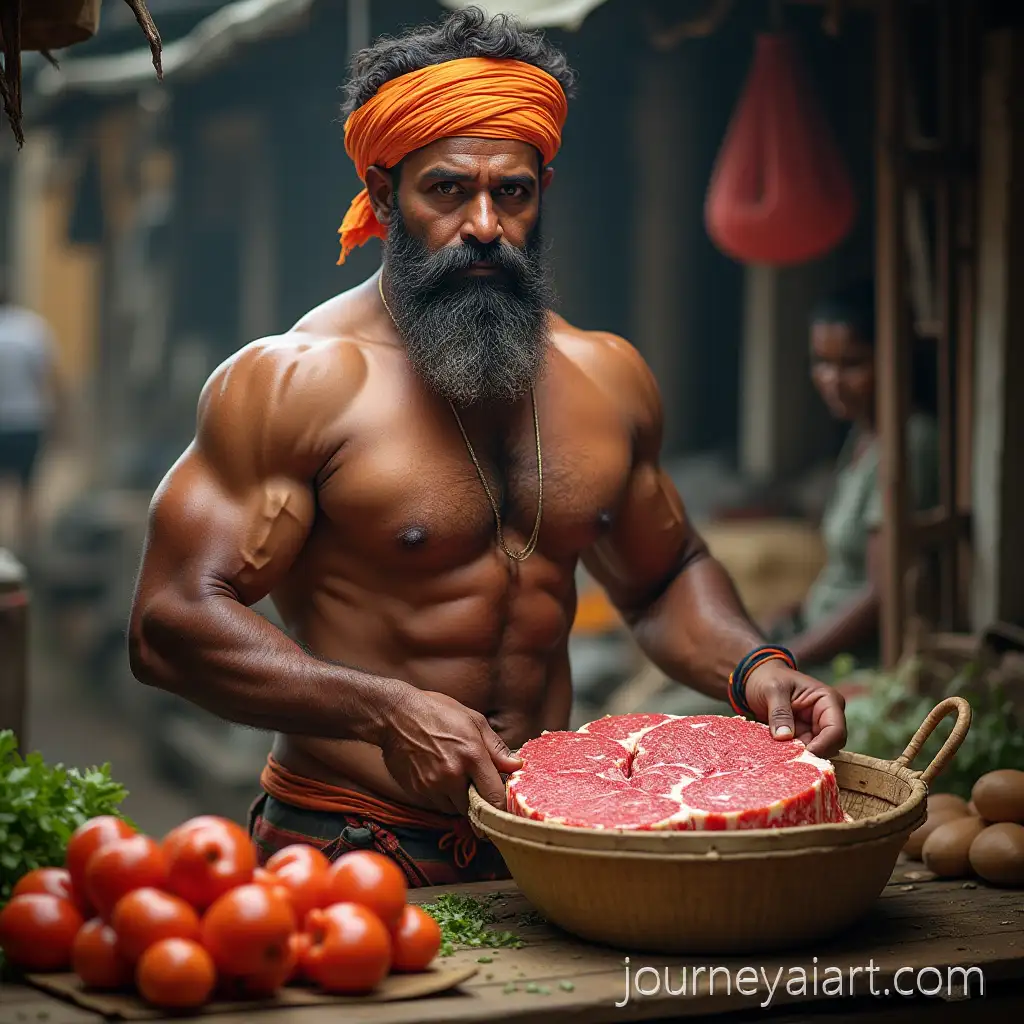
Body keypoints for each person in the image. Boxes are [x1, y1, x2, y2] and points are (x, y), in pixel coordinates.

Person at [128, 7, 847, 887]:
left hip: (551, 844)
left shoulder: (607, 376)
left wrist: (756, 667)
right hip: (351, 847)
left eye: (512, 192)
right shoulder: (295, 382)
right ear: (386, 195)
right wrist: (386, 710)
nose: (483, 224)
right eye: (446, 191)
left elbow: (662, 576)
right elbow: (168, 624)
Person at [764, 278, 939, 677]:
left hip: (853, 665)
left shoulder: (911, 443)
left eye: (852, 364)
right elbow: (845, 573)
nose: (831, 380)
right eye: (822, 363)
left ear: (894, 359)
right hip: (813, 635)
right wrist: (796, 612)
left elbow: (880, 594)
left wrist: (788, 656)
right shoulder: (861, 436)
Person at [0, 279, 62, 556]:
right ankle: (29, 550)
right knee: (28, 490)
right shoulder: (31, 329)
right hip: (28, 423)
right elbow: (50, 378)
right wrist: (60, 419)